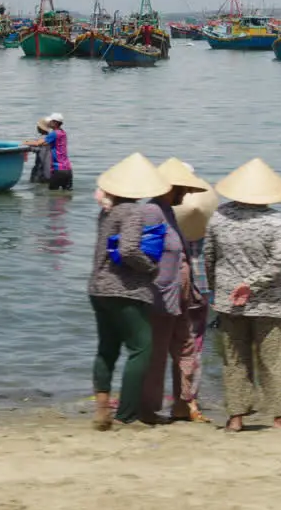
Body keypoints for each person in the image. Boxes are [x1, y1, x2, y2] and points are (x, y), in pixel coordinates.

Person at [206, 158, 281, 432]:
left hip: (228, 300)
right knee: (273, 360)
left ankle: (236, 417)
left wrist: (217, 290)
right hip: (270, 302)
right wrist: (254, 283)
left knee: (235, 359)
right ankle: (279, 415)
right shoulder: (273, 221)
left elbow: (209, 257)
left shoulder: (219, 217)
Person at [89, 153, 171, 429]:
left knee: (107, 349)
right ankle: (127, 413)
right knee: (141, 348)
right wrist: (149, 267)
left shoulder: (107, 211)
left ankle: (102, 408)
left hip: (98, 287)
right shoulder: (134, 212)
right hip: (125, 289)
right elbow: (128, 250)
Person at [142, 159, 209, 420]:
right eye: (183, 189)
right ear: (172, 187)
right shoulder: (152, 212)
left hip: (179, 297)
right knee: (158, 353)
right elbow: (143, 255)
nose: (187, 194)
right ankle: (149, 408)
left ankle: (183, 403)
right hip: (162, 296)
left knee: (186, 348)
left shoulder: (167, 211)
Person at [171, 161, 217, 422]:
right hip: (201, 289)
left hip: (172, 289)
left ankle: (179, 400)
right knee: (194, 348)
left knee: (171, 346)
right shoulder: (206, 217)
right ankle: (190, 401)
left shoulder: (167, 217)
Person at [23, 113, 71, 190]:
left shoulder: (54, 134)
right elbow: (44, 143)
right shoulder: (63, 133)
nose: (49, 123)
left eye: (51, 121)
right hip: (68, 169)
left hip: (58, 170)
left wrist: (24, 143)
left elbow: (38, 143)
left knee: (52, 197)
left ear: (55, 123)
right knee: (66, 195)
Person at [29, 118, 52, 184]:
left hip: (41, 170)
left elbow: (35, 148)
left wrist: (26, 147)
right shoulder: (51, 138)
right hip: (51, 170)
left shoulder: (41, 140)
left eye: (38, 126)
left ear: (40, 128)